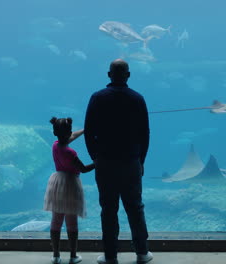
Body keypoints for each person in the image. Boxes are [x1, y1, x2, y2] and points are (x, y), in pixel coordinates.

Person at [84, 59, 153, 264]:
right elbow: (145, 133)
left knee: (108, 208)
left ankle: (111, 255)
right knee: (135, 207)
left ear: (108, 74)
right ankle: (142, 252)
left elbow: (89, 132)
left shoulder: (97, 98)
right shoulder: (137, 98)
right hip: (131, 161)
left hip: (105, 162)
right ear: (128, 75)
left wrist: (95, 157)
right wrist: (141, 160)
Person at [44, 117, 95, 264]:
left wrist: (84, 131)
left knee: (56, 221)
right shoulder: (70, 152)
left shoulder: (55, 145)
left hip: (57, 184)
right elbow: (83, 169)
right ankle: (73, 256)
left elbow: (68, 137)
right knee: (71, 223)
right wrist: (98, 161)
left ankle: (56, 255)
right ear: (68, 132)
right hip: (71, 185)